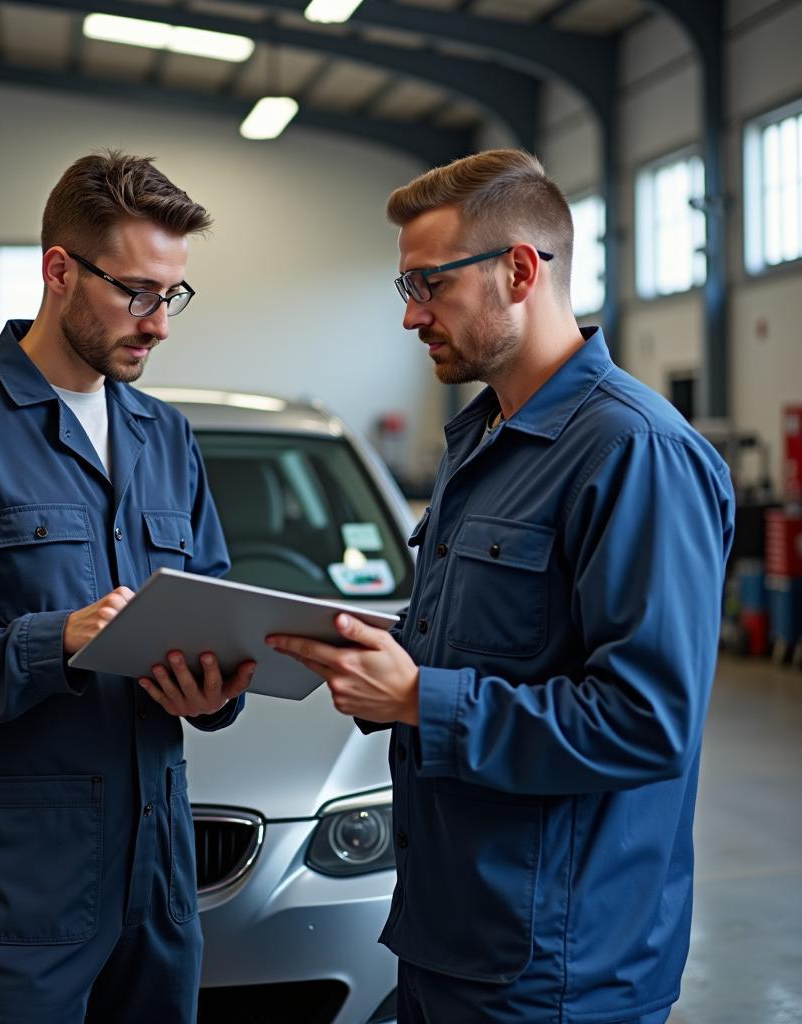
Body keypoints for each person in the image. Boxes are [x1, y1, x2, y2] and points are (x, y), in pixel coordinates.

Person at [267, 149, 734, 1023]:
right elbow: (489, 646)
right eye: (403, 289)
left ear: (520, 270)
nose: (411, 318)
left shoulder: (635, 455)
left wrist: (421, 701)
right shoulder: (483, 443)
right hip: (454, 934)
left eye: (428, 286)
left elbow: (647, 721)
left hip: (560, 968)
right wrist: (361, 655)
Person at [0, 150, 254, 1024]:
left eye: (172, 296)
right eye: (137, 293)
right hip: (15, 896)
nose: (158, 324)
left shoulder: (167, 438)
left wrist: (216, 689)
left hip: (158, 887)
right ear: (59, 271)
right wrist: (57, 640)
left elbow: (217, 611)